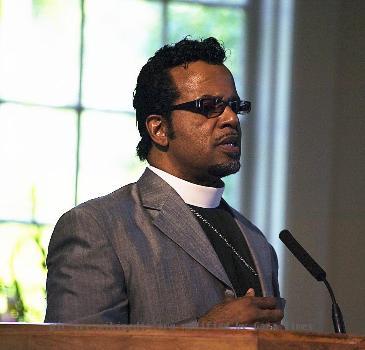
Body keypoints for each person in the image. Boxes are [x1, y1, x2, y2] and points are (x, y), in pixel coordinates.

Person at [45, 37, 283, 326]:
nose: (231, 118)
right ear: (159, 129)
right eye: (209, 106)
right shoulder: (98, 228)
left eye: (234, 105)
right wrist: (205, 330)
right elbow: (74, 348)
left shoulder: (257, 242)